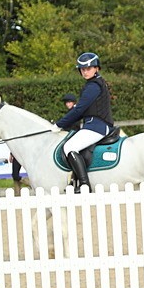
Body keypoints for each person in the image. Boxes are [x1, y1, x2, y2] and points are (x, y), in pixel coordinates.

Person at [54, 52, 115, 192]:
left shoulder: (94, 86)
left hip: (97, 126)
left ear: (96, 68)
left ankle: (84, 184)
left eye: (89, 68)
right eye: (83, 69)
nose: (85, 72)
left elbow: (79, 110)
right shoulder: (94, 83)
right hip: (93, 125)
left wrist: (59, 124)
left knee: (69, 147)